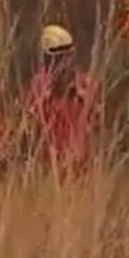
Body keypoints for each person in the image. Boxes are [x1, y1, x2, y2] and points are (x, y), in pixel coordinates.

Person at [25, 24, 92, 172]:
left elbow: (96, 115)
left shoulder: (83, 81)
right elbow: (31, 116)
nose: (64, 62)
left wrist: (79, 93)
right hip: (48, 158)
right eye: (59, 57)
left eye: (67, 56)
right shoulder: (39, 83)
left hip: (78, 158)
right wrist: (48, 94)